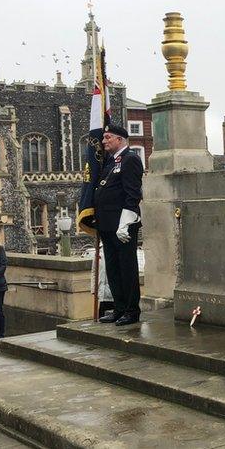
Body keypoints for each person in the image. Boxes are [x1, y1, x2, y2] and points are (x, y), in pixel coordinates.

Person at [93, 123, 143, 326]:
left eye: (107, 138)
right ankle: (119, 307)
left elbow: (132, 194)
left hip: (122, 225)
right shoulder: (111, 162)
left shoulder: (130, 159)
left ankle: (131, 310)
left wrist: (125, 222)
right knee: (112, 269)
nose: (103, 141)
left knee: (126, 268)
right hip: (107, 224)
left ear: (120, 140)